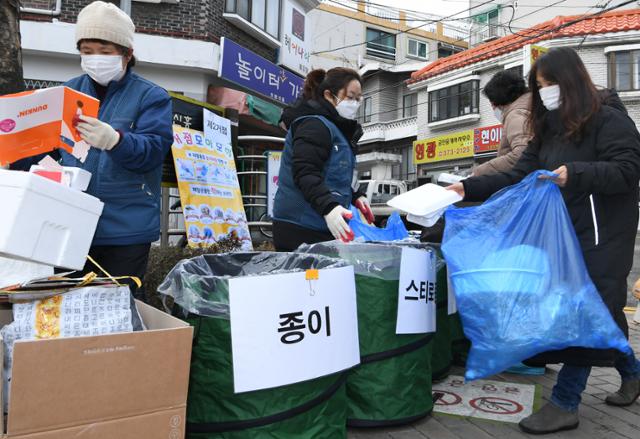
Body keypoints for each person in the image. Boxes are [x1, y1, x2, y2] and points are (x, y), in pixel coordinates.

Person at [447, 47, 640, 434]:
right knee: (599, 313)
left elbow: (627, 170)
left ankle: (565, 402)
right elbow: (517, 174)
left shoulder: (610, 120)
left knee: (582, 312)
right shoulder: (548, 129)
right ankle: (633, 372)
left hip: (603, 235)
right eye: (539, 85)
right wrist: (464, 187)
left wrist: (576, 173)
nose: (546, 91)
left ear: (572, 81)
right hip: (562, 234)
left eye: (551, 83)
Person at [14, 1, 173, 298]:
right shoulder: (67, 93)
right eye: (86, 52)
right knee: (66, 310)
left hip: (125, 230)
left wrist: (116, 140)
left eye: (104, 51)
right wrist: (14, 156)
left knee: (116, 314)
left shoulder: (152, 97)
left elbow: (153, 150)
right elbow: (42, 153)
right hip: (67, 227)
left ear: (127, 53)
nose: (95, 59)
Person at [272, 68, 374, 251]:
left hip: (319, 222)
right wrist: (329, 208)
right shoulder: (314, 125)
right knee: (309, 279)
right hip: (300, 224)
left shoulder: (338, 129)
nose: (355, 104)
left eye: (359, 99)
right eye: (351, 97)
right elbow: (305, 172)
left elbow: (334, 173)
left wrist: (356, 195)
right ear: (329, 95)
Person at [473, 70, 532, 176]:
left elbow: (522, 155)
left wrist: (479, 172)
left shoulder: (515, 115)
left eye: (492, 103)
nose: (493, 108)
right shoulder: (531, 108)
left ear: (501, 100)